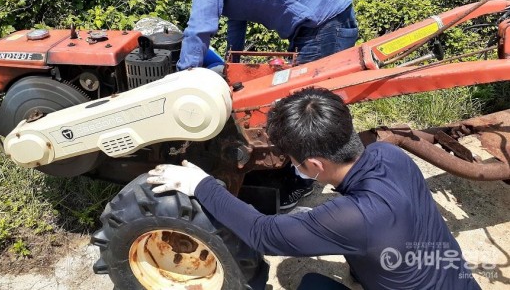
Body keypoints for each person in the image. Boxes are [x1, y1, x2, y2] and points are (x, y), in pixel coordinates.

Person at [148, 87, 480, 290]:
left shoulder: (354, 218)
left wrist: (201, 185)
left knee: (310, 284)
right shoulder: (388, 155)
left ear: (315, 166)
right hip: (458, 281)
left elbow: (262, 233)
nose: (294, 167)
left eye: (294, 161)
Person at [163, 0, 359, 208]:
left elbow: (201, 26)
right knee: (311, 104)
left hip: (322, 22)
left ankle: (304, 181)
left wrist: (183, 79)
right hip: (323, 16)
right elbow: (236, 19)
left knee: (309, 110)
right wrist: (233, 64)